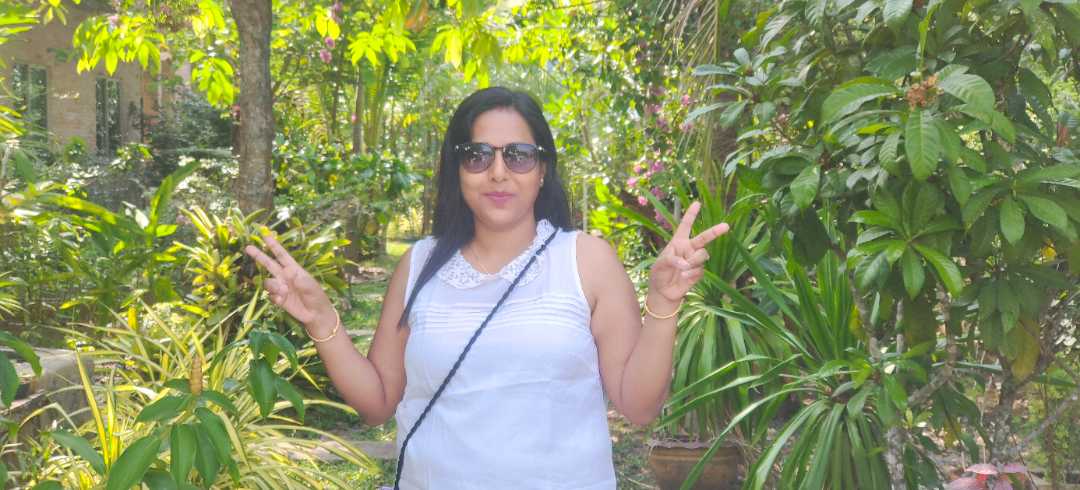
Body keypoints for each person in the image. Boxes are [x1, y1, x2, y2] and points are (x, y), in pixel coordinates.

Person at [244, 86, 729, 489]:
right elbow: (377, 404)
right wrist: (322, 320)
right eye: (477, 156)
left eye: (519, 156)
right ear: (457, 170)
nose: (498, 172)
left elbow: (639, 406)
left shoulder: (586, 261)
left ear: (542, 169)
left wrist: (663, 304)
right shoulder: (419, 265)